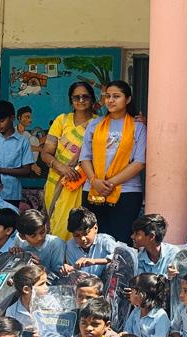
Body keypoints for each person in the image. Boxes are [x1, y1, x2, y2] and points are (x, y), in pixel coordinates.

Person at [79, 80, 146, 240]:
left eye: (116, 96)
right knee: (93, 239)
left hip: (126, 191)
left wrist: (110, 183)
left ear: (128, 99)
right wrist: (94, 181)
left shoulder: (138, 127)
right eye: (107, 96)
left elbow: (139, 162)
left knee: (120, 241)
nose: (110, 100)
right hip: (93, 189)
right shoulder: (94, 124)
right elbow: (85, 157)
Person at [40, 81, 97, 239]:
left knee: (77, 226)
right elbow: (46, 153)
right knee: (56, 225)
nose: (81, 100)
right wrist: (63, 168)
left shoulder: (98, 123)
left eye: (85, 96)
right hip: (56, 181)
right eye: (76, 97)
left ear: (92, 99)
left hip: (81, 182)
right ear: (71, 100)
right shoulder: (62, 121)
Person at [62, 207, 118, 280]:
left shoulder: (105, 241)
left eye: (85, 234)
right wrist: (69, 270)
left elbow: (119, 259)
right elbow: (75, 272)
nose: (82, 239)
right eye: (77, 235)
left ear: (95, 228)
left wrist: (94, 261)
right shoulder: (70, 245)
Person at [15, 209, 66, 275]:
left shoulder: (56, 244)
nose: (40, 238)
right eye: (33, 236)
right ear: (23, 236)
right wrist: (13, 254)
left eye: (42, 232)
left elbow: (59, 276)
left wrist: (40, 268)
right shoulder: (19, 241)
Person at [122, 273, 170, 337]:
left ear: (142, 295)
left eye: (132, 291)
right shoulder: (136, 311)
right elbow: (127, 332)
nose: (130, 294)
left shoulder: (161, 316)